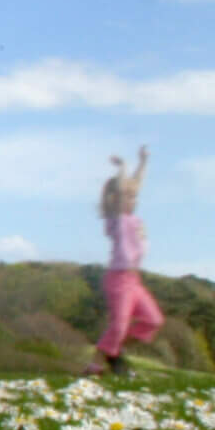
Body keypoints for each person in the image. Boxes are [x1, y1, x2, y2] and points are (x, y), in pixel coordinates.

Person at [88, 145, 161, 375]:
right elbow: (122, 190)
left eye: (135, 196)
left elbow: (135, 183)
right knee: (118, 326)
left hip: (133, 280)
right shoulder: (118, 220)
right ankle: (95, 365)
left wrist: (143, 161)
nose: (133, 199)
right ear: (116, 199)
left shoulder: (133, 219)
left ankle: (115, 351)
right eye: (128, 196)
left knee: (153, 320)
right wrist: (123, 167)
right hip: (118, 280)